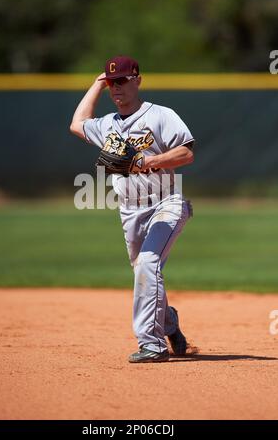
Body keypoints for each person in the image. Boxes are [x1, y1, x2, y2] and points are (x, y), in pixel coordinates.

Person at [70, 55, 195, 363]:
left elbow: (186, 153)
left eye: (123, 81)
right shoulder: (108, 125)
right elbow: (77, 124)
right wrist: (97, 83)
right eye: (113, 83)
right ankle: (170, 326)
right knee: (145, 272)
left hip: (167, 203)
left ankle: (150, 344)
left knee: (148, 264)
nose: (117, 89)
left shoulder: (161, 115)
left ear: (138, 80)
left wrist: (148, 161)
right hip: (129, 211)